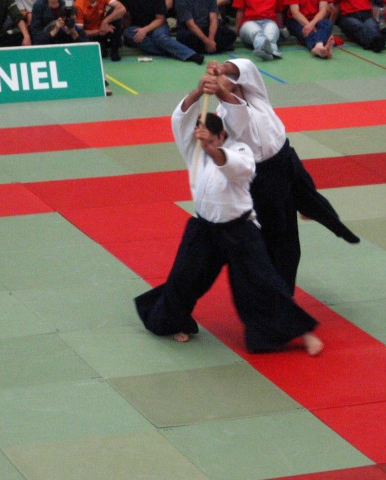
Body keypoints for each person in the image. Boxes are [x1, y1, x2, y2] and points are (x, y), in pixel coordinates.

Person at [134, 77, 324, 356]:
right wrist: (199, 90)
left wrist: (213, 148)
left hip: (239, 230)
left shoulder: (241, 150)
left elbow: (239, 169)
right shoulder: (193, 149)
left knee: (262, 282)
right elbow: (180, 118)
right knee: (183, 279)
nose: (203, 145)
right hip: (204, 228)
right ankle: (172, 322)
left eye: (211, 140)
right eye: (201, 140)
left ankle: (301, 333)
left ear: (222, 136)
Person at [206, 59, 360, 296]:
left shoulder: (255, 93)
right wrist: (219, 89)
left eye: (234, 84)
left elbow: (246, 67)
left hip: (286, 157)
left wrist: (222, 69)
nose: (233, 87)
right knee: (282, 238)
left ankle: (322, 218)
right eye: (226, 87)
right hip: (263, 177)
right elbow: (234, 107)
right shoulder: (224, 115)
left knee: (312, 199)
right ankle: (280, 295)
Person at [120, 0, 204, 64]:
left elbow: (160, 19)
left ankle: (191, 55)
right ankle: (172, 51)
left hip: (157, 24)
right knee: (128, 33)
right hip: (137, 27)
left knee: (159, 38)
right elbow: (125, 19)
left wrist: (145, 30)